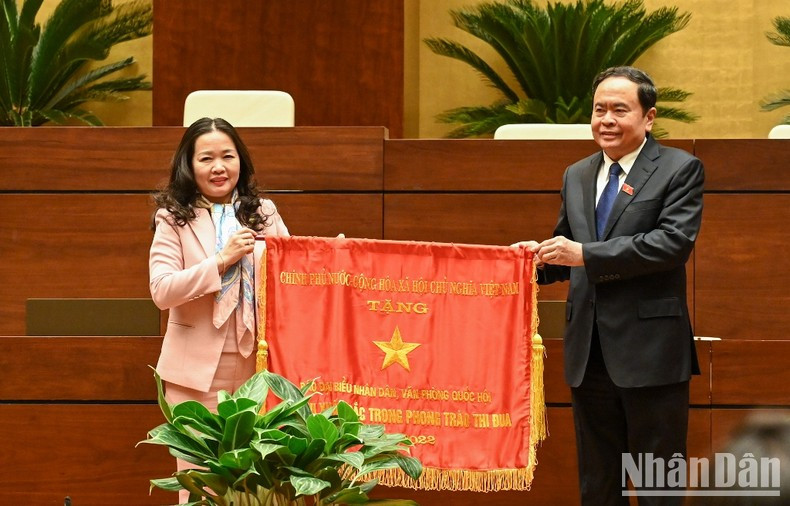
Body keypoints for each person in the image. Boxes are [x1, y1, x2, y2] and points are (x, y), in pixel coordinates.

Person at [514, 66, 704, 505]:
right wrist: (530, 261)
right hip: (588, 353)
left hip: (651, 353)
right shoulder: (577, 174)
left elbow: (671, 244)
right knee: (598, 486)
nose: (607, 120)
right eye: (599, 110)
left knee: (658, 487)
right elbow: (569, 250)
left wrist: (583, 254)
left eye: (620, 110)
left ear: (649, 117)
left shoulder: (680, 168)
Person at [149, 117, 289, 501]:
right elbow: (162, 290)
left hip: (258, 367)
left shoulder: (264, 211)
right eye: (206, 158)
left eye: (228, 156)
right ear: (189, 164)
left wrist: (326, 258)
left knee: (256, 488)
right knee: (202, 487)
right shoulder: (173, 217)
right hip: (194, 375)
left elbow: (289, 275)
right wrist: (221, 260)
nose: (219, 167)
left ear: (240, 160)